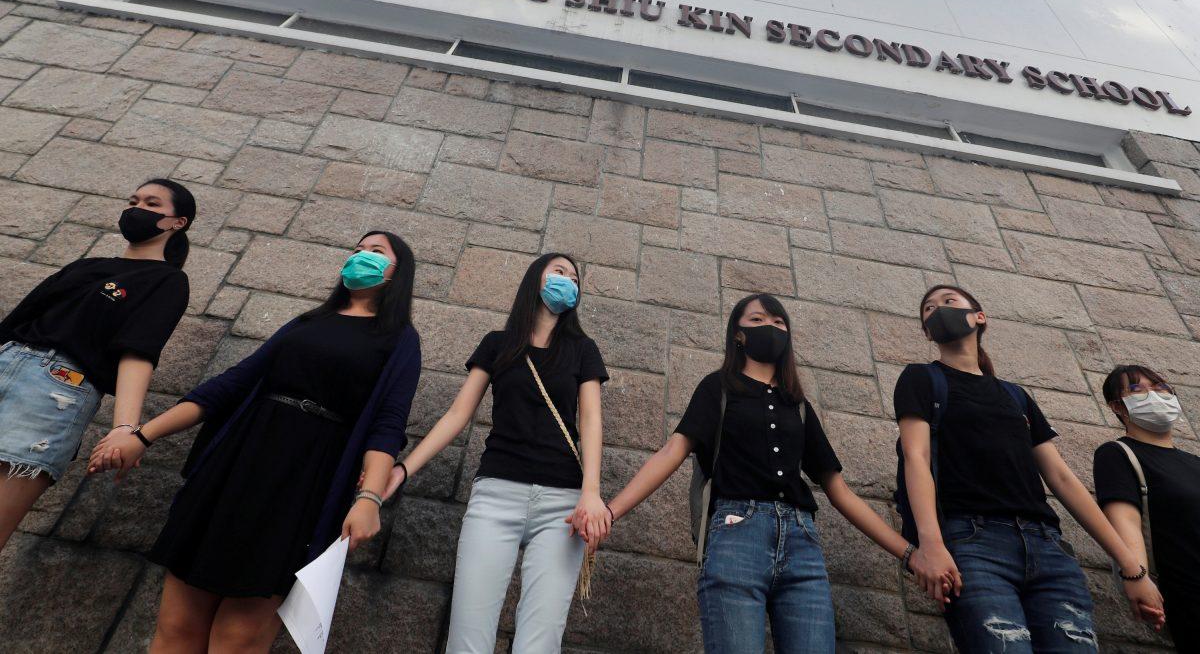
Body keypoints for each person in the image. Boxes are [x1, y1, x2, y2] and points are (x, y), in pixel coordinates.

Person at [88, 231, 420, 654]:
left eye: (376, 252)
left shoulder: (399, 340)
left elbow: (388, 425)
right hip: (236, 466)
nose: (361, 257)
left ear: (398, 273)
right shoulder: (308, 322)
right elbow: (230, 385)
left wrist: (369, 497)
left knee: (239, 639)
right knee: (177, 627)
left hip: (305, 484)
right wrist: (142, 435)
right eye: (356, 249)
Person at [600, 293, 930, 654]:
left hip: (803, 542)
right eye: (757, 321)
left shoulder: (798, 404)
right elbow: (672, 452)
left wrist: (910, 554)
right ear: (737, 335)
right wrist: (611, 511)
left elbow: (839, 490)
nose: (769, 328)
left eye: (777, 322)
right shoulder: (718, 388)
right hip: (736, 534)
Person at [895, 284, 1164, 653]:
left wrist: (1133, 569)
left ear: (980, 317)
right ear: (927, 332)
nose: (937, 309)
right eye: (928, 309)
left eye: (948, 302)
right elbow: (916, 458)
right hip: (973, 545)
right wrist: (931, 544)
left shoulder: (1015, 396)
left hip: (1049, 549)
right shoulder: (921, 378)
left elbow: (1062, 479)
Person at [380, 253, 608, 654]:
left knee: (540, 642)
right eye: (559, 271)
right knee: (468, 635)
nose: (568, 280)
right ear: (534, 279)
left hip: (563, 505)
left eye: (574, 277)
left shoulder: (582, 349)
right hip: (496, 495)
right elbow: (457, 414)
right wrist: (402, 470)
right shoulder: (497, 344)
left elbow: (590, 420)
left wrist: (591, 492)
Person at [0, 178, 194, 551]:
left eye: (153, 204)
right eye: (133, 199)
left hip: (54, 391)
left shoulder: (166, 281)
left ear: (177, 222)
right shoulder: (87, 265)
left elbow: (137, 352)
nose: (137, 208)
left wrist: (126, 427)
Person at [1094, 364, 1200, 651]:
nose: (1155, 395)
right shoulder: (1118, 454)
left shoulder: (1194, 462)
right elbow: (1126, 521)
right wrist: (1137, 577)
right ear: (1118, 406)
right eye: (1138, 389)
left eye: (1161, 387)